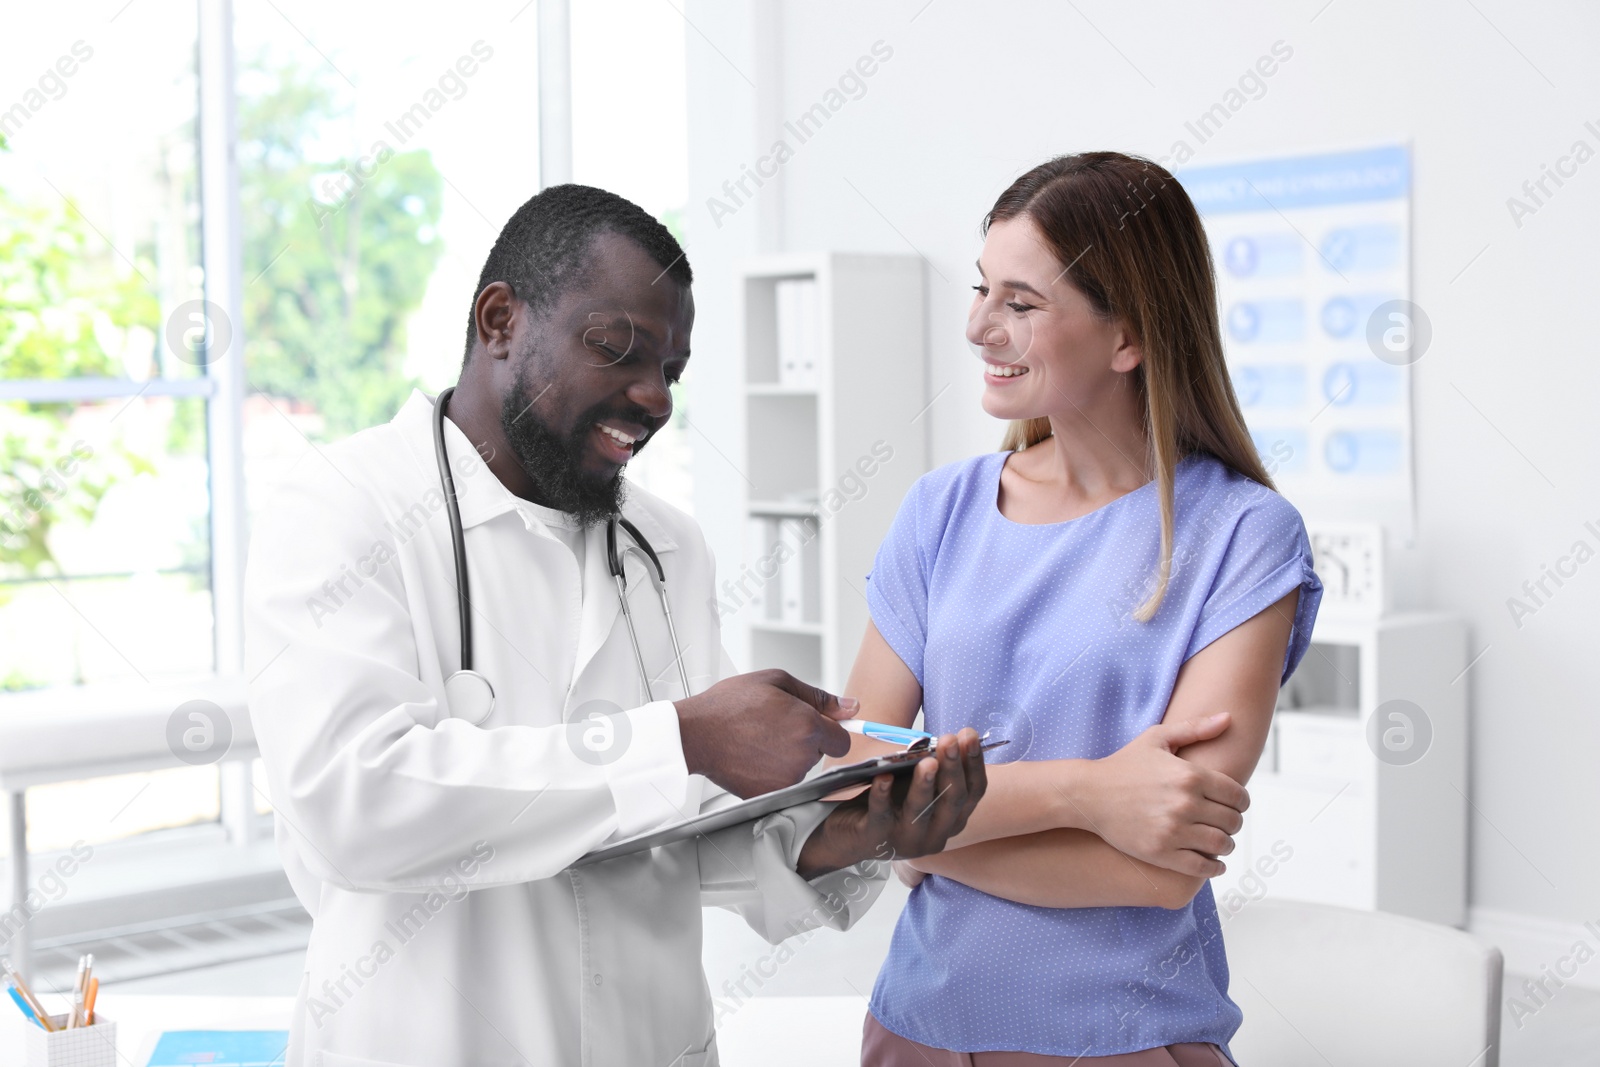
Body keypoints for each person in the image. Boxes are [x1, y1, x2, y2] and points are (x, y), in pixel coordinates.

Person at [243, 183, 987, 1067]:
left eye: (671, 369)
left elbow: (683, 836)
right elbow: (351, 806)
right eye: (615, 348)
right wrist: (679, 736)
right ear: (499, 321)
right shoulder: (345, 508)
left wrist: (854, 836)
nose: (655, 395)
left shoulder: (666, 546)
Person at [843, 153, 1324, 1065]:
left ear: (1128, 337)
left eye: (1020, 303)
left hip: (1124, 1042)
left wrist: (919, 838)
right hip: (914, 1032)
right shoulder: (938, 513)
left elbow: (1154, 869)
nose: (980, 326)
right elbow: (848, 785)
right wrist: (1089, 793)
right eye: (984, 290)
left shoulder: (1243, 538)